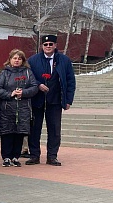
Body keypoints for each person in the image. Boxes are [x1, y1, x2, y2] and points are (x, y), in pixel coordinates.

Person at [26, 34, 76, 166]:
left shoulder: (64, 60)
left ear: (55, 45)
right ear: (42, 46)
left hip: (55, 100)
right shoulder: (33, 60)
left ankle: (52, 156)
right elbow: (28, 77)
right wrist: (37, 84)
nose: (48, 47)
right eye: (45, 45)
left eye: (51, 44)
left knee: (54, 130)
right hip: (37, 100)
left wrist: (68, 100)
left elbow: (71, 80)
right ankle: (34, 156)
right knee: (34, 129)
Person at [0, 49, 38, 167]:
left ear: (23, 60)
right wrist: (10, 94)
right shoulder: (5, 73)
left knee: (20, 132)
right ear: (10, 60)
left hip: (23, 108)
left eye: (19, 58)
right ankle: (6, 157)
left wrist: (23, 92)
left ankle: (15, 156)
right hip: (7, 108)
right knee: (7, 132)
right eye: (15, 58)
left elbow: (34, 87)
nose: (17, 60)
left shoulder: (28, 72)